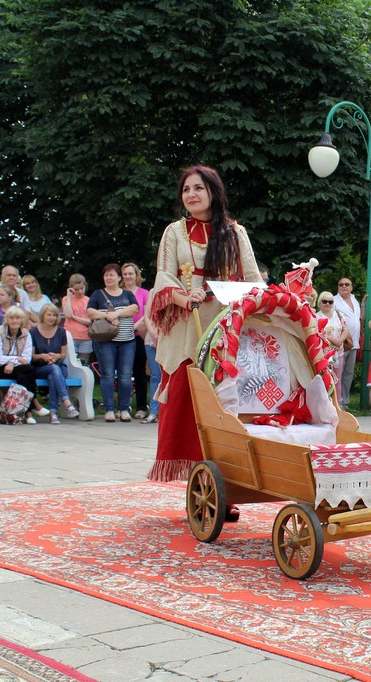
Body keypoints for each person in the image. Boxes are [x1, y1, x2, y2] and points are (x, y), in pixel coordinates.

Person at [148, 165, 260, 484]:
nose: (192, 195)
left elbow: (253, 281)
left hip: (226, 333)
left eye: (198, 188)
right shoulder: (174, 231)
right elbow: (163, 278)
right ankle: (201, 484)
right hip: (186, 331)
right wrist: (186, 297)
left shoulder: (235, 232)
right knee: (187, 407)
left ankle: (229, 482)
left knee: (225, 407)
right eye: (186, 190)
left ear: (213, 191)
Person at [87, 263, 139, 422]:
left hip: (127, 341)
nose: (109, 278)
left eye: (112, 275)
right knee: (107, 375)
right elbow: (90, 312)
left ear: (118, 277)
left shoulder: (128, 294)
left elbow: (135, 309)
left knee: (125, 376)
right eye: (106, 275)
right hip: (105, 341)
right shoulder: (97, 294)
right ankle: (109, 409)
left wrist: (116, 313)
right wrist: (107, 316)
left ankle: (124, 409)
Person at [0, 306, 39, 424]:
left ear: (22, 320)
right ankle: (33, 406)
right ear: (6, 319)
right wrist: (16, 359)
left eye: (17, 318)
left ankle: (27, 413)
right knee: (29, 369)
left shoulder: (26, 334)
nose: (14, 321)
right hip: (0, 368)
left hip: (18, 369)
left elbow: (26, 358)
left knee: (22, 376)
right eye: (11, 318)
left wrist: (12, 362)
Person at [30, 304, 80, 423]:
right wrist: (43, 356)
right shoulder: (33, 332)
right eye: (49, 315)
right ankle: (66, 402)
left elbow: (63, 355)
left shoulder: (61, 331)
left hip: (57, 366)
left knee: (54, 372)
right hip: (40, 368)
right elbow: (31, 356)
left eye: (54, 315)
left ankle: (53, 413)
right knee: (54, 370)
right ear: (43, 315)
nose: (52, 318)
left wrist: (56, 356)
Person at [122, 262, 152, 419]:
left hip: (138, 334)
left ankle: (141, 407)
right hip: (121, 336)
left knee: (139, 372)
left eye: (130, 273)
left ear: (136, 275)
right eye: (125, 274)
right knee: (123, 373)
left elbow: (146, 315)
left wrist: (133, 326)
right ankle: (123, 406)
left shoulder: (144, 293)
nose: (128, 276)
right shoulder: (119, 293)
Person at [333, 277, 360, 408]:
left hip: (353, 343)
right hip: (340, 343)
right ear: (338, 287)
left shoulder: (355, 300)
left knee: (348, 373)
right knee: (338, 372)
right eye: (341, 284)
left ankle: (345, 400)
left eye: (347, 284)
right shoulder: (334, 300)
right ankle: (336, 400)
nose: (344, 286)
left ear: (351, 287)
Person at [316, 290, 348, 403]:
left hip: (337, 353)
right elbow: (317, 332)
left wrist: (340, 340)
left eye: (330, 301)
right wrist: (334, 340)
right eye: (324, 301)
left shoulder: (338, 315)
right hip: (323, 354)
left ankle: (337, 404)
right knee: (324, 379)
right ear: (319, 303)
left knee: (337, 380)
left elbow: (345, 329)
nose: (327, 304)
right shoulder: (316, 317)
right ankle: (324, 404)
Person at [135, 291, 161, 424]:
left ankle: (166, 411)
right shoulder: (153, 291)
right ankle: (153, 411)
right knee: (156, 376)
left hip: (168, 338)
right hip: (152, 339)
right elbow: (147, 315)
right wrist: (153, 333)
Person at [61, 274, 93, 363]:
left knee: (84, 363)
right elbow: (68, 314)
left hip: (86, 337)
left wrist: (74, 317)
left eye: (82, 288)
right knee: (70, 363)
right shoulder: (66, 299)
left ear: (85, 286)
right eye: (76, 289)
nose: (79, 291)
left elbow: (91, 321)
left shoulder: (89, 300)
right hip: (71, 336)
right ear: (71, 288)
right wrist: (68, 296)